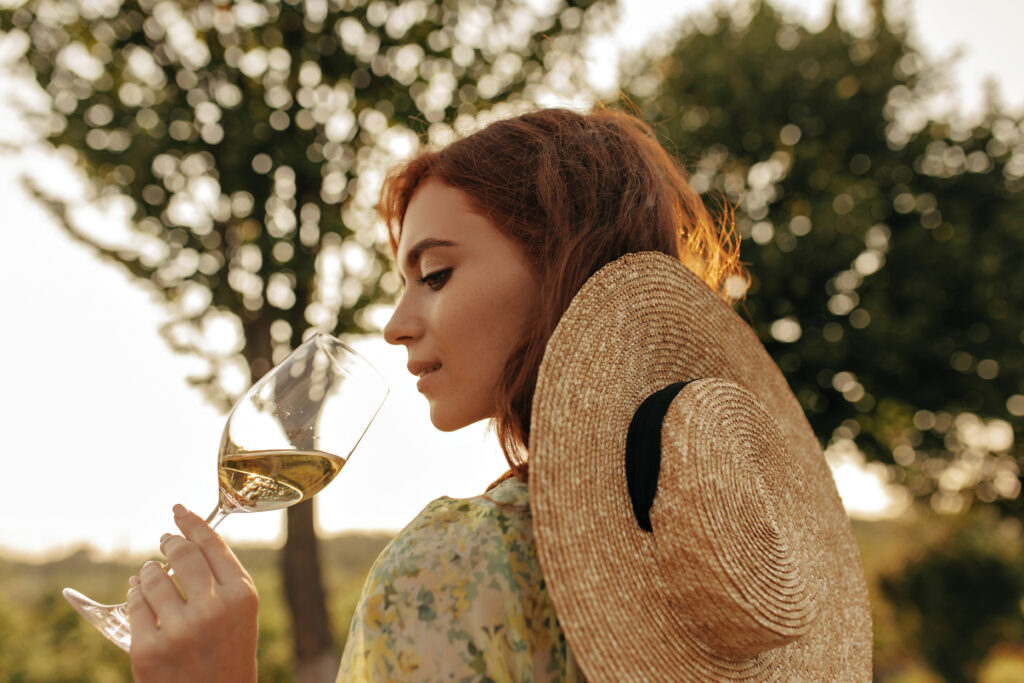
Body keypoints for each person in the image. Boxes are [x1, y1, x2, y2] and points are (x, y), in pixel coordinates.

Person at [125, 107, 872, 682]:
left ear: (560, 272)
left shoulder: (457, 567)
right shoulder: (753, 593)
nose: (395, 325)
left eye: (437, 274)